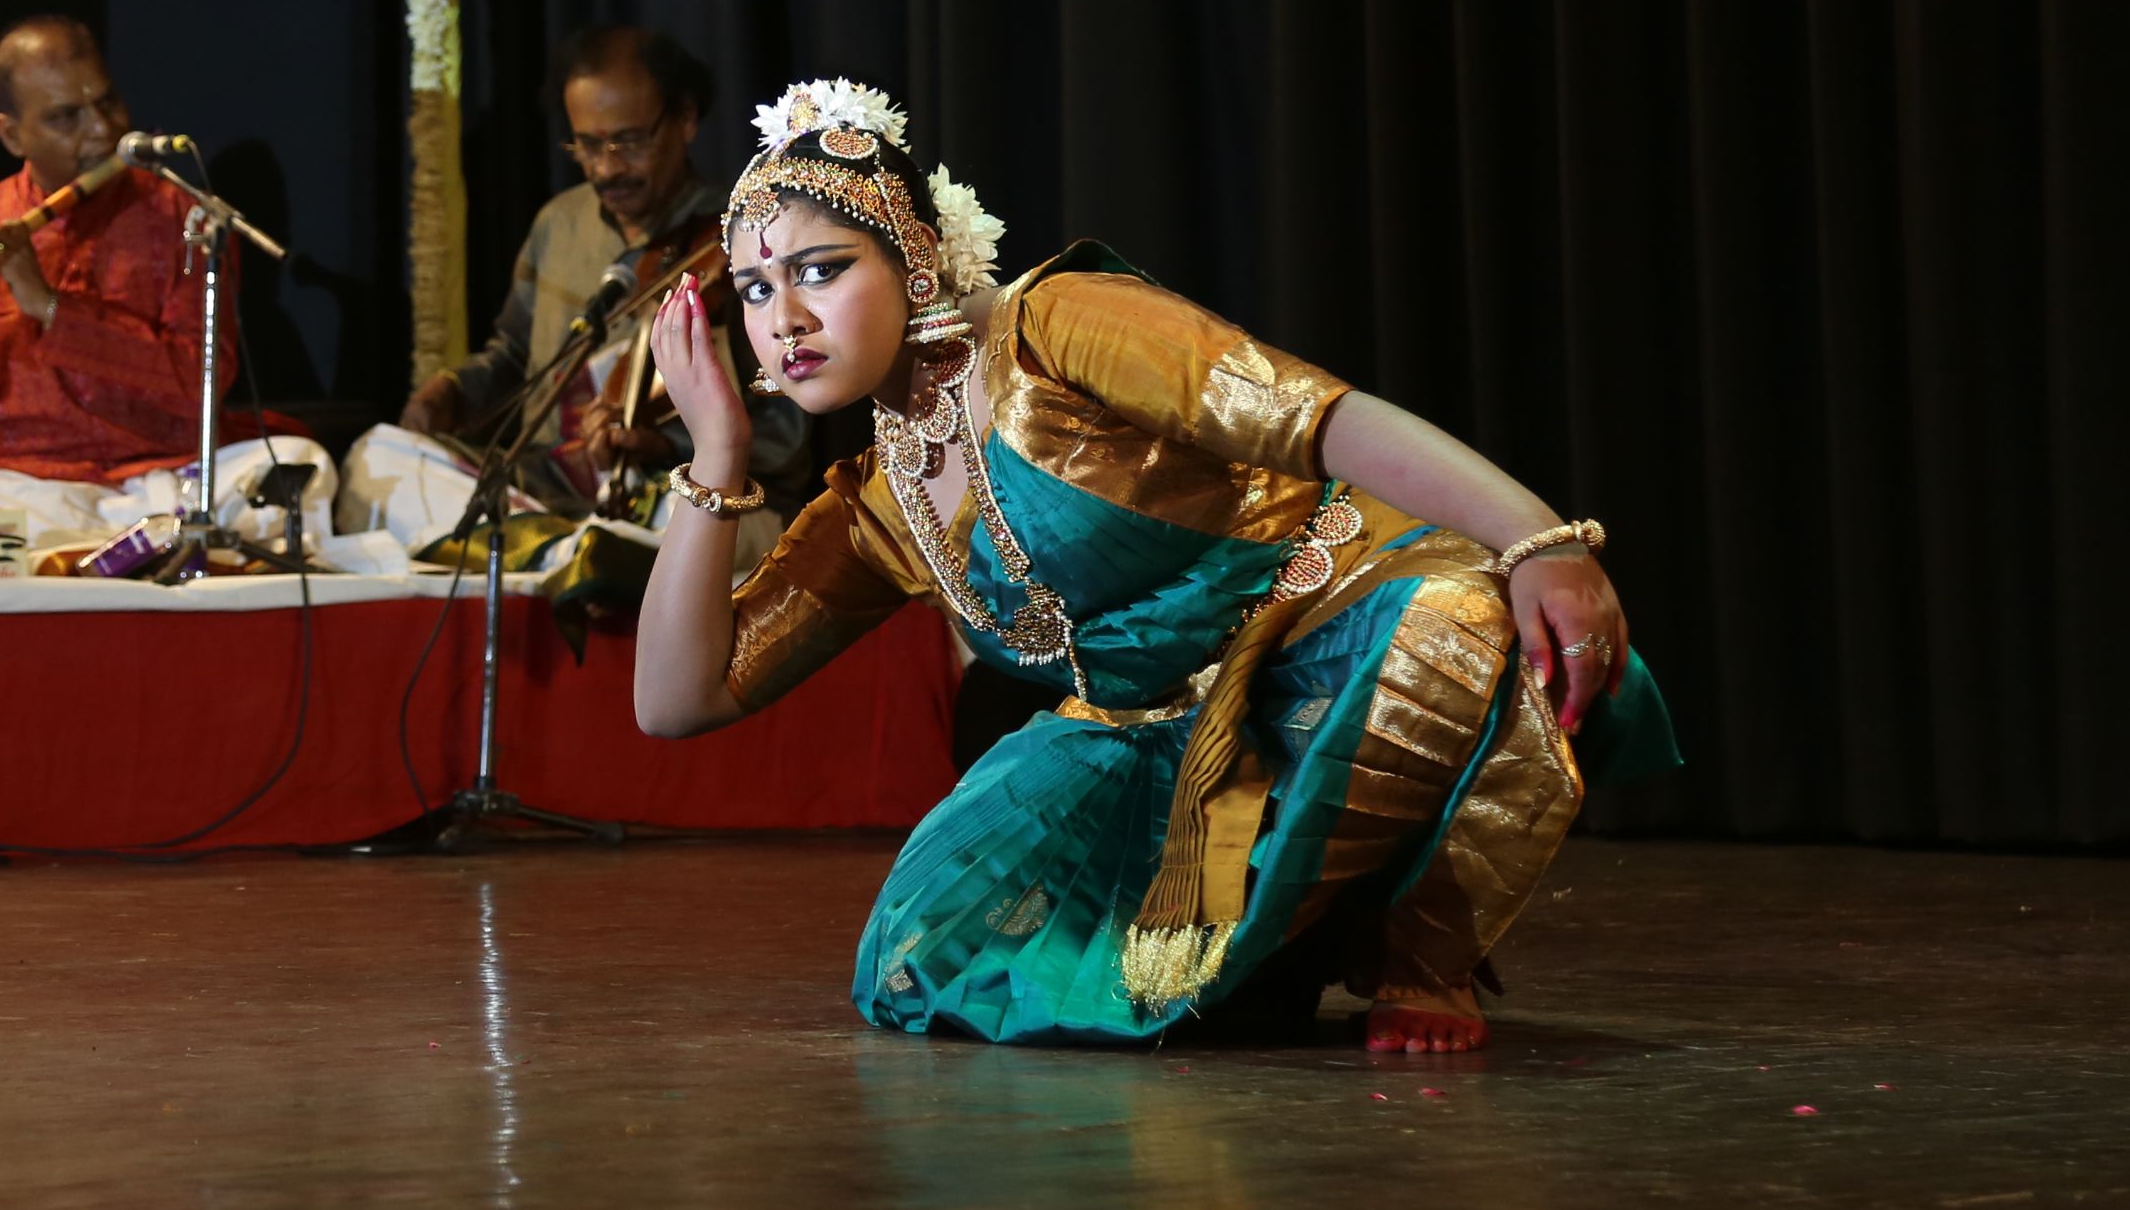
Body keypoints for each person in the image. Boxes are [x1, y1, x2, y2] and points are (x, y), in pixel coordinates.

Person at [632, 77, 1677, 1056]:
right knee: (922, 958)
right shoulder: (878, 503)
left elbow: (1325, 421)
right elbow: (678, 701)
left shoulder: (1056, 326)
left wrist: (1539, 538)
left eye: (821, 270)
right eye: (755, 289)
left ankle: (1417, 951)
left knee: (1451, 622)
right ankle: (1276, 937)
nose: (785, 319)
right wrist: (716, 456)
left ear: (915, 257)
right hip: (1143, 736)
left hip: (1324, 631)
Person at [0, 16, 330, 556]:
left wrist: (49, 307)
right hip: (25, 489)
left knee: (299, 465)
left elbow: (197, 385)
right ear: (12, 135)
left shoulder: (187, 221)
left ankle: (83, 558)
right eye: (66, 116)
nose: (102, 130)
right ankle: (132, 556)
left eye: (107, 103)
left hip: (163, 482)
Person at [337, 26, 801, 556]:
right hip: (541, 487)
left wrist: (662, 445)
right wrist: (451, 391)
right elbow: (515, 357)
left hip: (670, 490)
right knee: (374, 459)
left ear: (685, 119)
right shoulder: (557, 224)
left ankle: (556, 552)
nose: (607, 167)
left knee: (686, 523)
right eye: (588, 145)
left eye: (630, 141)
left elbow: (786, 433)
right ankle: (565, 551)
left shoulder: (741, 236)